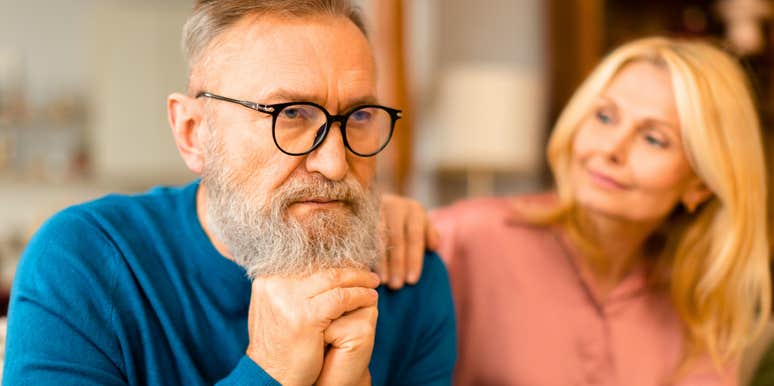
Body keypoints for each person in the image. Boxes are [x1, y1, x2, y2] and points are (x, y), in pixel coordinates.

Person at [2, 1, 456, 385]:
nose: (335, 164)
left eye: (358, 116)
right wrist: (270, 370)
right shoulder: (82, 263)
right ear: (193, 132)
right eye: (292, 113)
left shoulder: (407, 277)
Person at [386, 37, 770, 385]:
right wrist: (373, 220)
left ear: (701, 183)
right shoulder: (466, 237)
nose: (611, 149)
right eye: (604, 117)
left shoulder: (699, 304)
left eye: (654, 138)